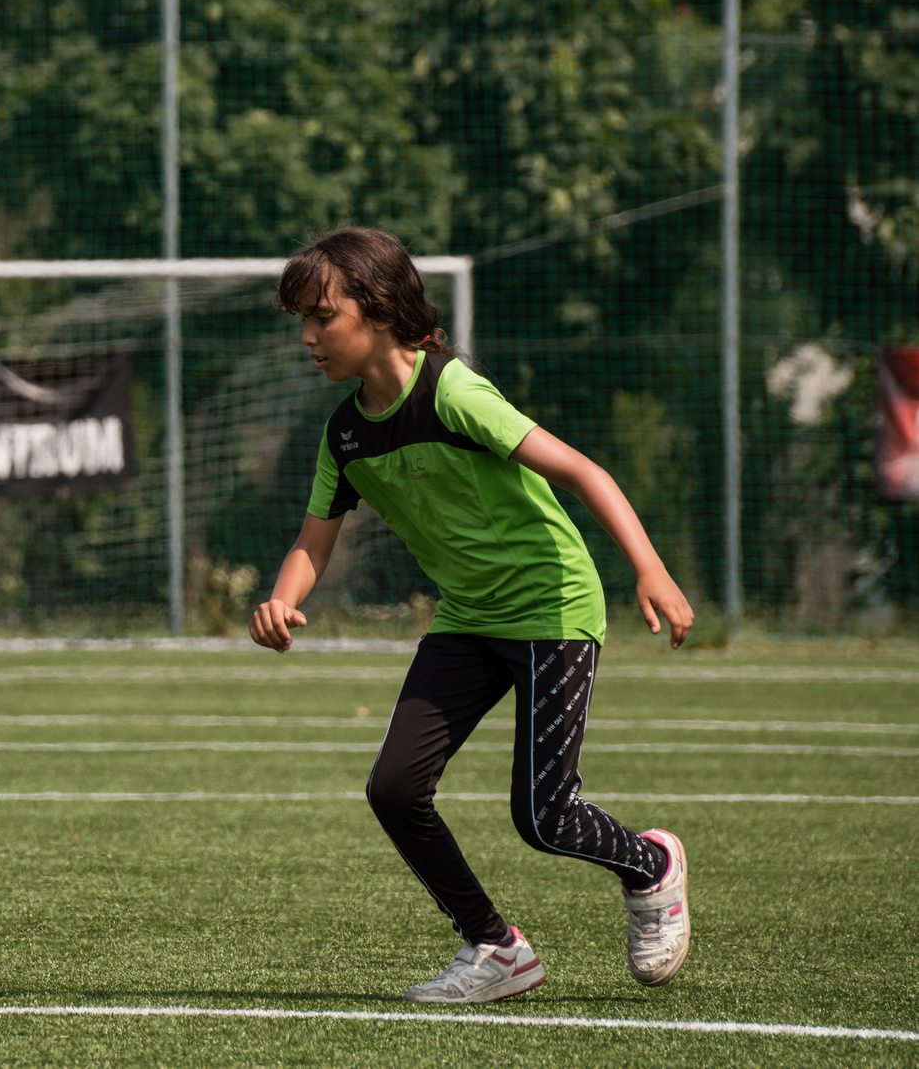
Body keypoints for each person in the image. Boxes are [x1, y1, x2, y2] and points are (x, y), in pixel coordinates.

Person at [247, 227, 695, 1004]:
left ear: (379, 310)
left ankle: (651, 866)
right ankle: (495, 946)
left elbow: (584, 470)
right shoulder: (344, 433)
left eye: (323, 316)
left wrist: (649, 569)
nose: (309, 336)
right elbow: (312, 540)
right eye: (302, 320)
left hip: (552, 605)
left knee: (544, 816)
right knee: (393, 787)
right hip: (469, 617)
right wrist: (284, 599)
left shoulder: (453, 392)